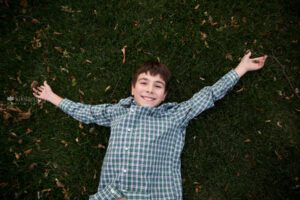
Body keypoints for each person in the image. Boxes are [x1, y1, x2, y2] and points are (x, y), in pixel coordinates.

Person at [32, 51, 267, 200]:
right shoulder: (117, 112)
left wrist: (241, 69)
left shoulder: (174, 116)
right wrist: (52, 97)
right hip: (111, 194)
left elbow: (208, 95)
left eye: (157, 86)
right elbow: (88, 112)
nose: (149, 90)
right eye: (144, 83)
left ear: (164, 96)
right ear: (133, 89)